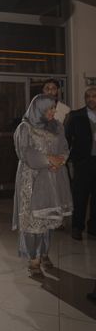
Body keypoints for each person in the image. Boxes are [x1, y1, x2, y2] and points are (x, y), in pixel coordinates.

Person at [12, 94, 72, 276]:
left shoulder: (57, 126)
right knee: (32, 220)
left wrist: (60, 160)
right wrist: (48, 160)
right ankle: (34, 258)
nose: (54, 112)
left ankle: (44, 253)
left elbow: (64, 148)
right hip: (31, 179)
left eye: (54, 108)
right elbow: (25, 153)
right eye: (50, 109)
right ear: (39, 109)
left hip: (53, 179)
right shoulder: (25, 128)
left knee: (47, 218)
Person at [65, 86, 96, 240]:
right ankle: (77, 227)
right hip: (83, 162)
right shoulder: (76, 115)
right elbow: (66, 139)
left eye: (94, 96)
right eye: (88, 96)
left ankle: (93, 227)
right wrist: (69, 159)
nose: (91, 99)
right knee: (80, 196)